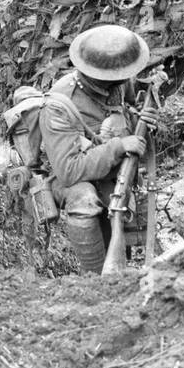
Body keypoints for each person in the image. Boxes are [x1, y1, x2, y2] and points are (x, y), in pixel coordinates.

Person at [42, 24, 157, 274]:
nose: (125, 79)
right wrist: (118, 146)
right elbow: (68, 170)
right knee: (83, 199)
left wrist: (142, 121)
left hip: (111, 174)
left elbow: (127, 111)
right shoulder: (60, 103)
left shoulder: (118, 82)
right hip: (69, 179)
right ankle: (94, 280)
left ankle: (119, 270)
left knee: (117, 215)